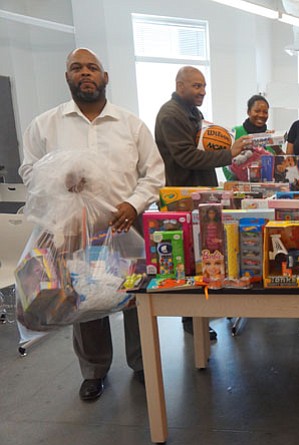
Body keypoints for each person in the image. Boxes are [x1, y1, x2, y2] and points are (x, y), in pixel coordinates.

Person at [19, 48, 165, 401]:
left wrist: (133, 204)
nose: (85, 73)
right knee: (83, 301)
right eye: (76, 68)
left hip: (125, 225)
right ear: (67, 77)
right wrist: (58, 182)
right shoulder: (45, 124)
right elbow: (29, 171)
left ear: (105, 77)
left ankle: (142, 362)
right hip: (72, 229)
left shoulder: (131, 124)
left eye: (92, 68)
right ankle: (93, 370)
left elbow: (155, 172)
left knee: (135, 297)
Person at [155, 66, 249, 340]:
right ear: (179, 85)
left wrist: (230, 155)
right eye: (196, 86)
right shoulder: (171, 115)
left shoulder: (192, 113)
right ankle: (191, 319)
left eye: (204, 86)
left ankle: (199, 314)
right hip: (182, 198)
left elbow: (202, 148)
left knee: (203, 255)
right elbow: (186, 157)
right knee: (190, 259)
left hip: (198, 194)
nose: (202, 91)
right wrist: (228, 155)